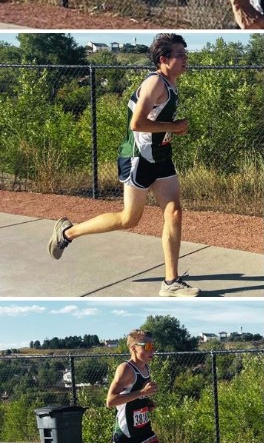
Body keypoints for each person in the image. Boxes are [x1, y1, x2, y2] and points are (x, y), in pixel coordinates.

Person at [48, 33, 200, 297]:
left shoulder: (170, 83)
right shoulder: (155, 83)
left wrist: (170, 131)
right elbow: (137, 124)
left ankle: (171, 282)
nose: (186, 59)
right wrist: (173, 127)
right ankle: (68, 232)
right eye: (180, 55)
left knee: (174, 212)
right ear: (163, 60)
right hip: (138, 158)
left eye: (185, 53)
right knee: (129, 219)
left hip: (161, 157)